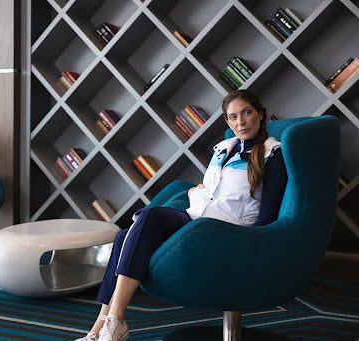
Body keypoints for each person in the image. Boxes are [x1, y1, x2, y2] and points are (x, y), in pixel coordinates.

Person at [75, 90, 288, 341]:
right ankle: (99, 328)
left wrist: (252, 244)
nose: (240, 121)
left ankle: (117, 320)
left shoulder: (272, 154)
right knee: (124, 236)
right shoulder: (223, 148)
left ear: (260, 114)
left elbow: (268, 214)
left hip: (226, 229)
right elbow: (217, 188)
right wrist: (197, 190)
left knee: (147, 220)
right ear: (227, 122)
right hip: (195, 218)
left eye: (247, 112)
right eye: (233, 117)